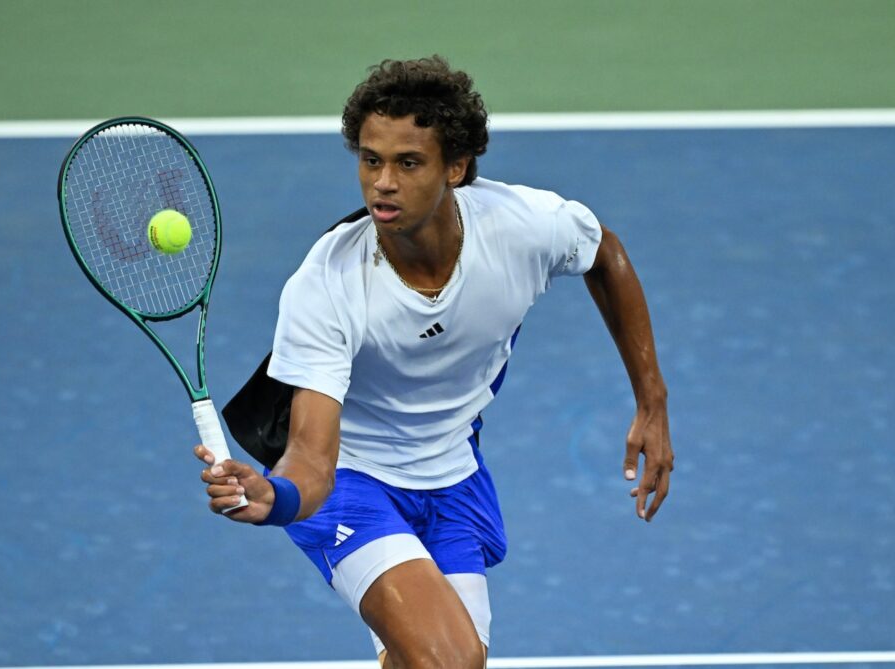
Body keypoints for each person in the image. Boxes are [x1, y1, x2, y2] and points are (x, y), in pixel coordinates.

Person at [195, 55, 673, 669]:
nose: (382, 183)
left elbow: (604, 252)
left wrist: (651, 402)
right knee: (451, 660)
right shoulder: (327, 283)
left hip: (451, 473)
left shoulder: (520, 228)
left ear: (457, 168)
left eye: (407, 162)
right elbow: (314, 455)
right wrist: (278, 498)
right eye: (370, 160)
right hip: (351, 481)